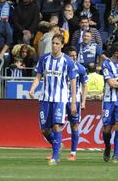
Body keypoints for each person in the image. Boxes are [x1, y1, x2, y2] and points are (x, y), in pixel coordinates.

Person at [29, 34, 77, 166]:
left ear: (62, 45)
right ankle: (58, 145)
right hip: (45, 98)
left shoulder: (67, 61)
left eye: (57, 43)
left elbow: (73, 82)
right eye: (53, 43)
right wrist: (32, 89)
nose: (54, 46)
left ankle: (55, 157)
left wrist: (73, 102)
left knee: (57, 126)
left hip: (60, 99)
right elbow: (38, 76)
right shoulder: (44, 58)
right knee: (44, 130)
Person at [65, 46, 88, 161]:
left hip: (75, 100)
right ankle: (55, 150)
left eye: (75, 55)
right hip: (61, 98)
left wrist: (83, 101)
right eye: (71, 55)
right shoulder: (62, 66)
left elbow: (85, 85)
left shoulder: (81, 68)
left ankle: (73, 152)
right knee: (56, 125)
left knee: (74, 125)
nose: (73, 57)